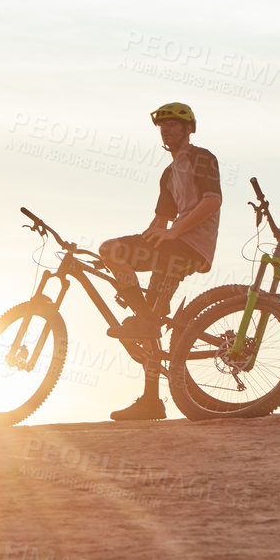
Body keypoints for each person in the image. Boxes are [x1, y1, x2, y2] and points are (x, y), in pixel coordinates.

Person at [98, 102, 223, 422]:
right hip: (171, 248)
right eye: (163, 125)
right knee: (148, 315)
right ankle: (151, 400)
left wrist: (173, 233)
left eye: (174, 124)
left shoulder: (202, 158)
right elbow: (158, 223)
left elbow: (212, 200)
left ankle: (144, 317)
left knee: (110, 247)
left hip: (190, 247)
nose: (167, 129)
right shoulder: (169, 173)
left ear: (188, 128)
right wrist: (124, 264)